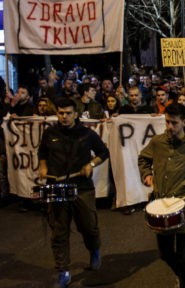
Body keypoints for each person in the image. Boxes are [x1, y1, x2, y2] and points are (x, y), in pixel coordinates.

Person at [137, 102, 185, 288]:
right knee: (165, 253)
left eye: (174, 122)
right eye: (167, 122)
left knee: (184, 255)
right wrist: (146, 174)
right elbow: (143, 159)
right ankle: (182, 276)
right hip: (162, 205)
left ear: (184, 122)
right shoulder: (157, 142)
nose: (170, 127)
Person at [38, 97, 110, 288]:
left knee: (88, 227)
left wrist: (90, 164)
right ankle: (63, 271)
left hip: (82, 187)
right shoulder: (49, 133)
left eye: (68, 113)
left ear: (76, 114)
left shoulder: (87, 134)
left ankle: (94, 249)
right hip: (56, 187)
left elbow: (103, 152)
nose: (64, 116)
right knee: (59, 232)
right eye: (61, 113)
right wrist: (43, 167)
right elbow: (42, 153)